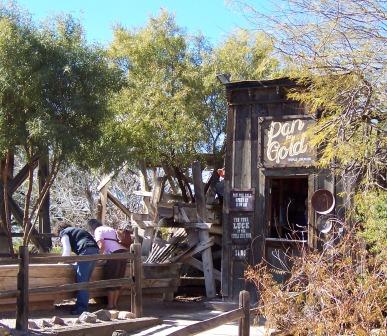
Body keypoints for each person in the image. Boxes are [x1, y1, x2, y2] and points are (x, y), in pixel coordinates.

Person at [53, 222, 99, 315]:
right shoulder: (77, 231)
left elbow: (67, 250)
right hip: (95, 251)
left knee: (82, 282)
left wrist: (60, 263)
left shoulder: (64, 233)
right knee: (85, 281)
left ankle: (81, 309)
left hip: (85, 251)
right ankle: (83, 306)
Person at [87, 219, 129, 310]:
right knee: (118, 280)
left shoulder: (98, 230)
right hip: (123, 253)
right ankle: (114, 304)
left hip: (113, 255)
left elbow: (101, 245)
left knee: (111, 279)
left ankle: (110, 305)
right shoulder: (110, 229)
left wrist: (97, 258)